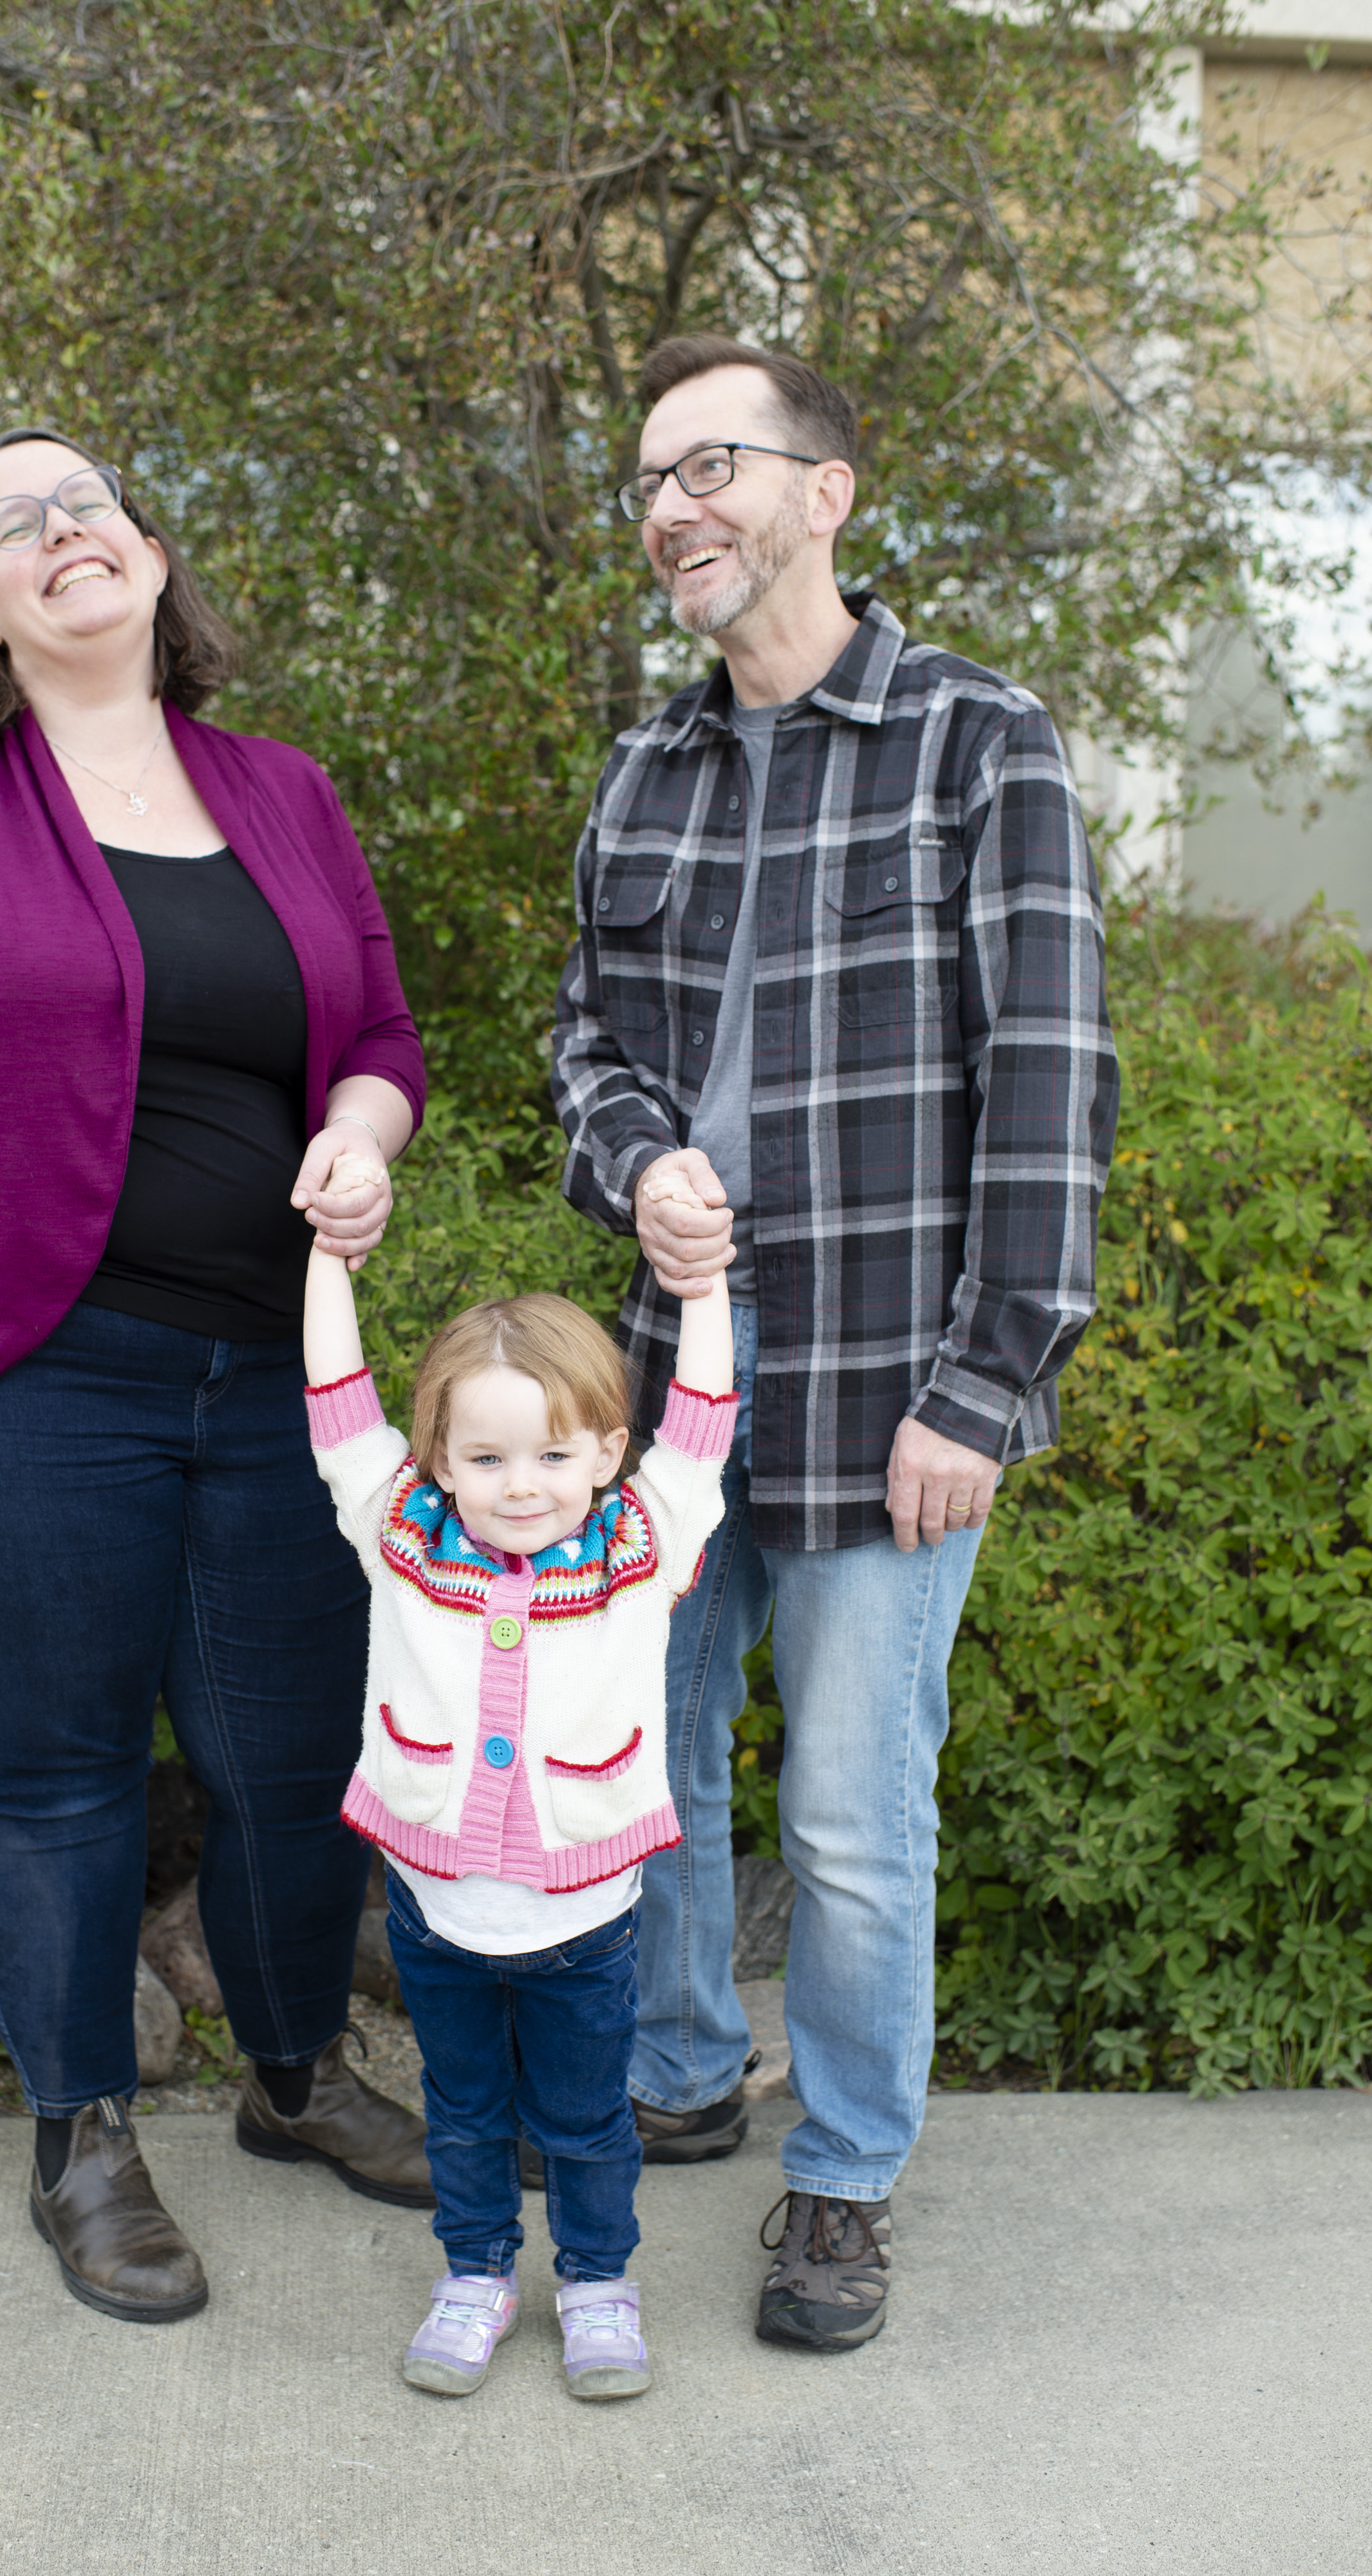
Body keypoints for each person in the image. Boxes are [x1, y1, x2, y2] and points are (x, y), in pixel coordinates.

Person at [0, 428, 433, 2326]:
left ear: (148, 558)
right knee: (58, 1783)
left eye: (92, 503)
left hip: (270, 1381)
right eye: (13, 521)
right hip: (4, 1381)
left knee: (294, 1773)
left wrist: (362, 1134)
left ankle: (293, 2083)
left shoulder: (280, 793)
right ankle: (84, 2140)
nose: (65, 532)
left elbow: (375, 1029)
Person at [551, 334, 1118, 2351]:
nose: (669, 508)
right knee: (658, 1764)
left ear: (823, 492)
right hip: (667, 1401)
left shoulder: (980, 742)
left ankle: (844, 2174)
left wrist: (985, 1383)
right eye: (644, 482)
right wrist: (633, 1169)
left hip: (891, 1392)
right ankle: (681, 2070)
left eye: (707, 463)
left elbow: (1046, 1082)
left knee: (858, 1819)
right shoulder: (646, 769)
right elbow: (585, 1049)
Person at [301, 1153, 735, 2399]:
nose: (519, 1489)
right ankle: (476, 2273)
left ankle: (598, 2282)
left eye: (550, 1458)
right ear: (437, 1459)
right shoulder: (399, 1535)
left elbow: (702, 1420)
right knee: (465, 2115)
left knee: (590, 2122)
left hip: (586, 1922)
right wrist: (331, 1261)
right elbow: (337, 1401)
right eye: (484, 1461)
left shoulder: (641, 1547)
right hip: (436, 1911)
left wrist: (698, 1281)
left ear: (606, 1452)